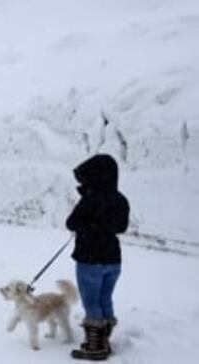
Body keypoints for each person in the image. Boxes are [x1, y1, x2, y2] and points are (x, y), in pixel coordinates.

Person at [65, 153, 130, 361]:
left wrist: (87, 204)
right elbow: (121, 227)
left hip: (90, 259)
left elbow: (71, 223)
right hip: (113, 259)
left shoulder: (90, 199)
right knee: (104, 299)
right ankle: (104, 339)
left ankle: (95, 347)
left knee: (91, 303)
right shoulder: (120, 199)